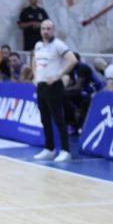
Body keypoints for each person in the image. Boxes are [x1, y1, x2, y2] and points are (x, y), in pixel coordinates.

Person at [31, 20, 78, 162]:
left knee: (58, 119)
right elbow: (34, 60)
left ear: (53, 30)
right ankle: (49, 148)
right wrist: (35, 76)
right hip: (41, 86)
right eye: (43, 29)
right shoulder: (38, 45)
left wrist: (58, 75)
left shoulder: (58, 45)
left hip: (54, 86)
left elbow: (73, 60)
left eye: (48, 29)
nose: (45, 31)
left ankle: (65, 150)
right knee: (44, 119)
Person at [63, 53, 104, 133]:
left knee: (67, 96)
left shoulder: (82, 68)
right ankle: (71, 123)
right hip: (82, 91)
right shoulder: (71, 68)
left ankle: (78, 125)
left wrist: (63, 90)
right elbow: (71, 83)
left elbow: (78, 87)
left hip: (93, 91)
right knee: (62, 97)